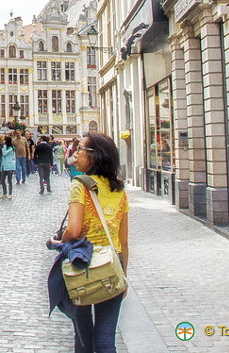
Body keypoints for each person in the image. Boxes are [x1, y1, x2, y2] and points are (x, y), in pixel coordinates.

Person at [52, 132, 129, 353]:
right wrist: (124, 275)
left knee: (84, 339)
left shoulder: (80, 185)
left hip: (83, 266)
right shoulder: (120, 189)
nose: (75, 155)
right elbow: (123, 240)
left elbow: (74, 230)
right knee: (106, 340)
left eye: (80, 150)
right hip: (112, 265)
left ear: (94, 156)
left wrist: (57, 240)